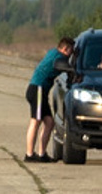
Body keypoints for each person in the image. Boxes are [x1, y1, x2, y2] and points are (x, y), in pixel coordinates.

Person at [25, 31, 76, 161]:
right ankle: (29, 154)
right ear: (65, 49)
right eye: (71, 51)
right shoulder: (59, 57)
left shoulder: (53, 52)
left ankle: (42, 154)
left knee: (49, 122)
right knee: (35, 121)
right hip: (38, 89)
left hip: (40, 90)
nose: (71, 54)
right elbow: (67, 68)